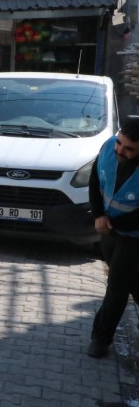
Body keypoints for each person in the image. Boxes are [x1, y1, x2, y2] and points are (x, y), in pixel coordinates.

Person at [87, 116, 139, 359]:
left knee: (117, 284)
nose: (120, 150)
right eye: (120, 143)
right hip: (109, 229)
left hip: (133, 235)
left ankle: (101, 338)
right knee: (131, 282)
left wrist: (110, 222)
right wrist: (98, 214)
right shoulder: (109, 146)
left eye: (129, 149)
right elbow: (95, 178)